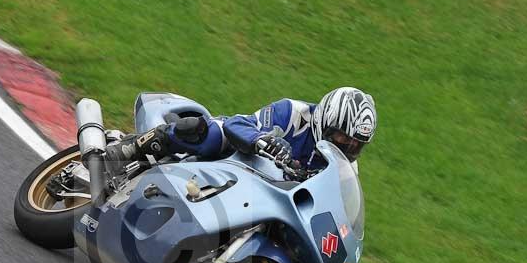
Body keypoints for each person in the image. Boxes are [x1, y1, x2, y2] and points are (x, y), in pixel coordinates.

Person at [105, 86, 377, 176]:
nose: (346, 146)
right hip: (240, 154)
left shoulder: (345, 169)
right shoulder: (293, 113)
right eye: (342, 137)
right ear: (325, 120)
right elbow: (240, 124)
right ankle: (128, 149)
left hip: (270, 190)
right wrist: (263, 140)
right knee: (204, 133)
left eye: (355, 145)